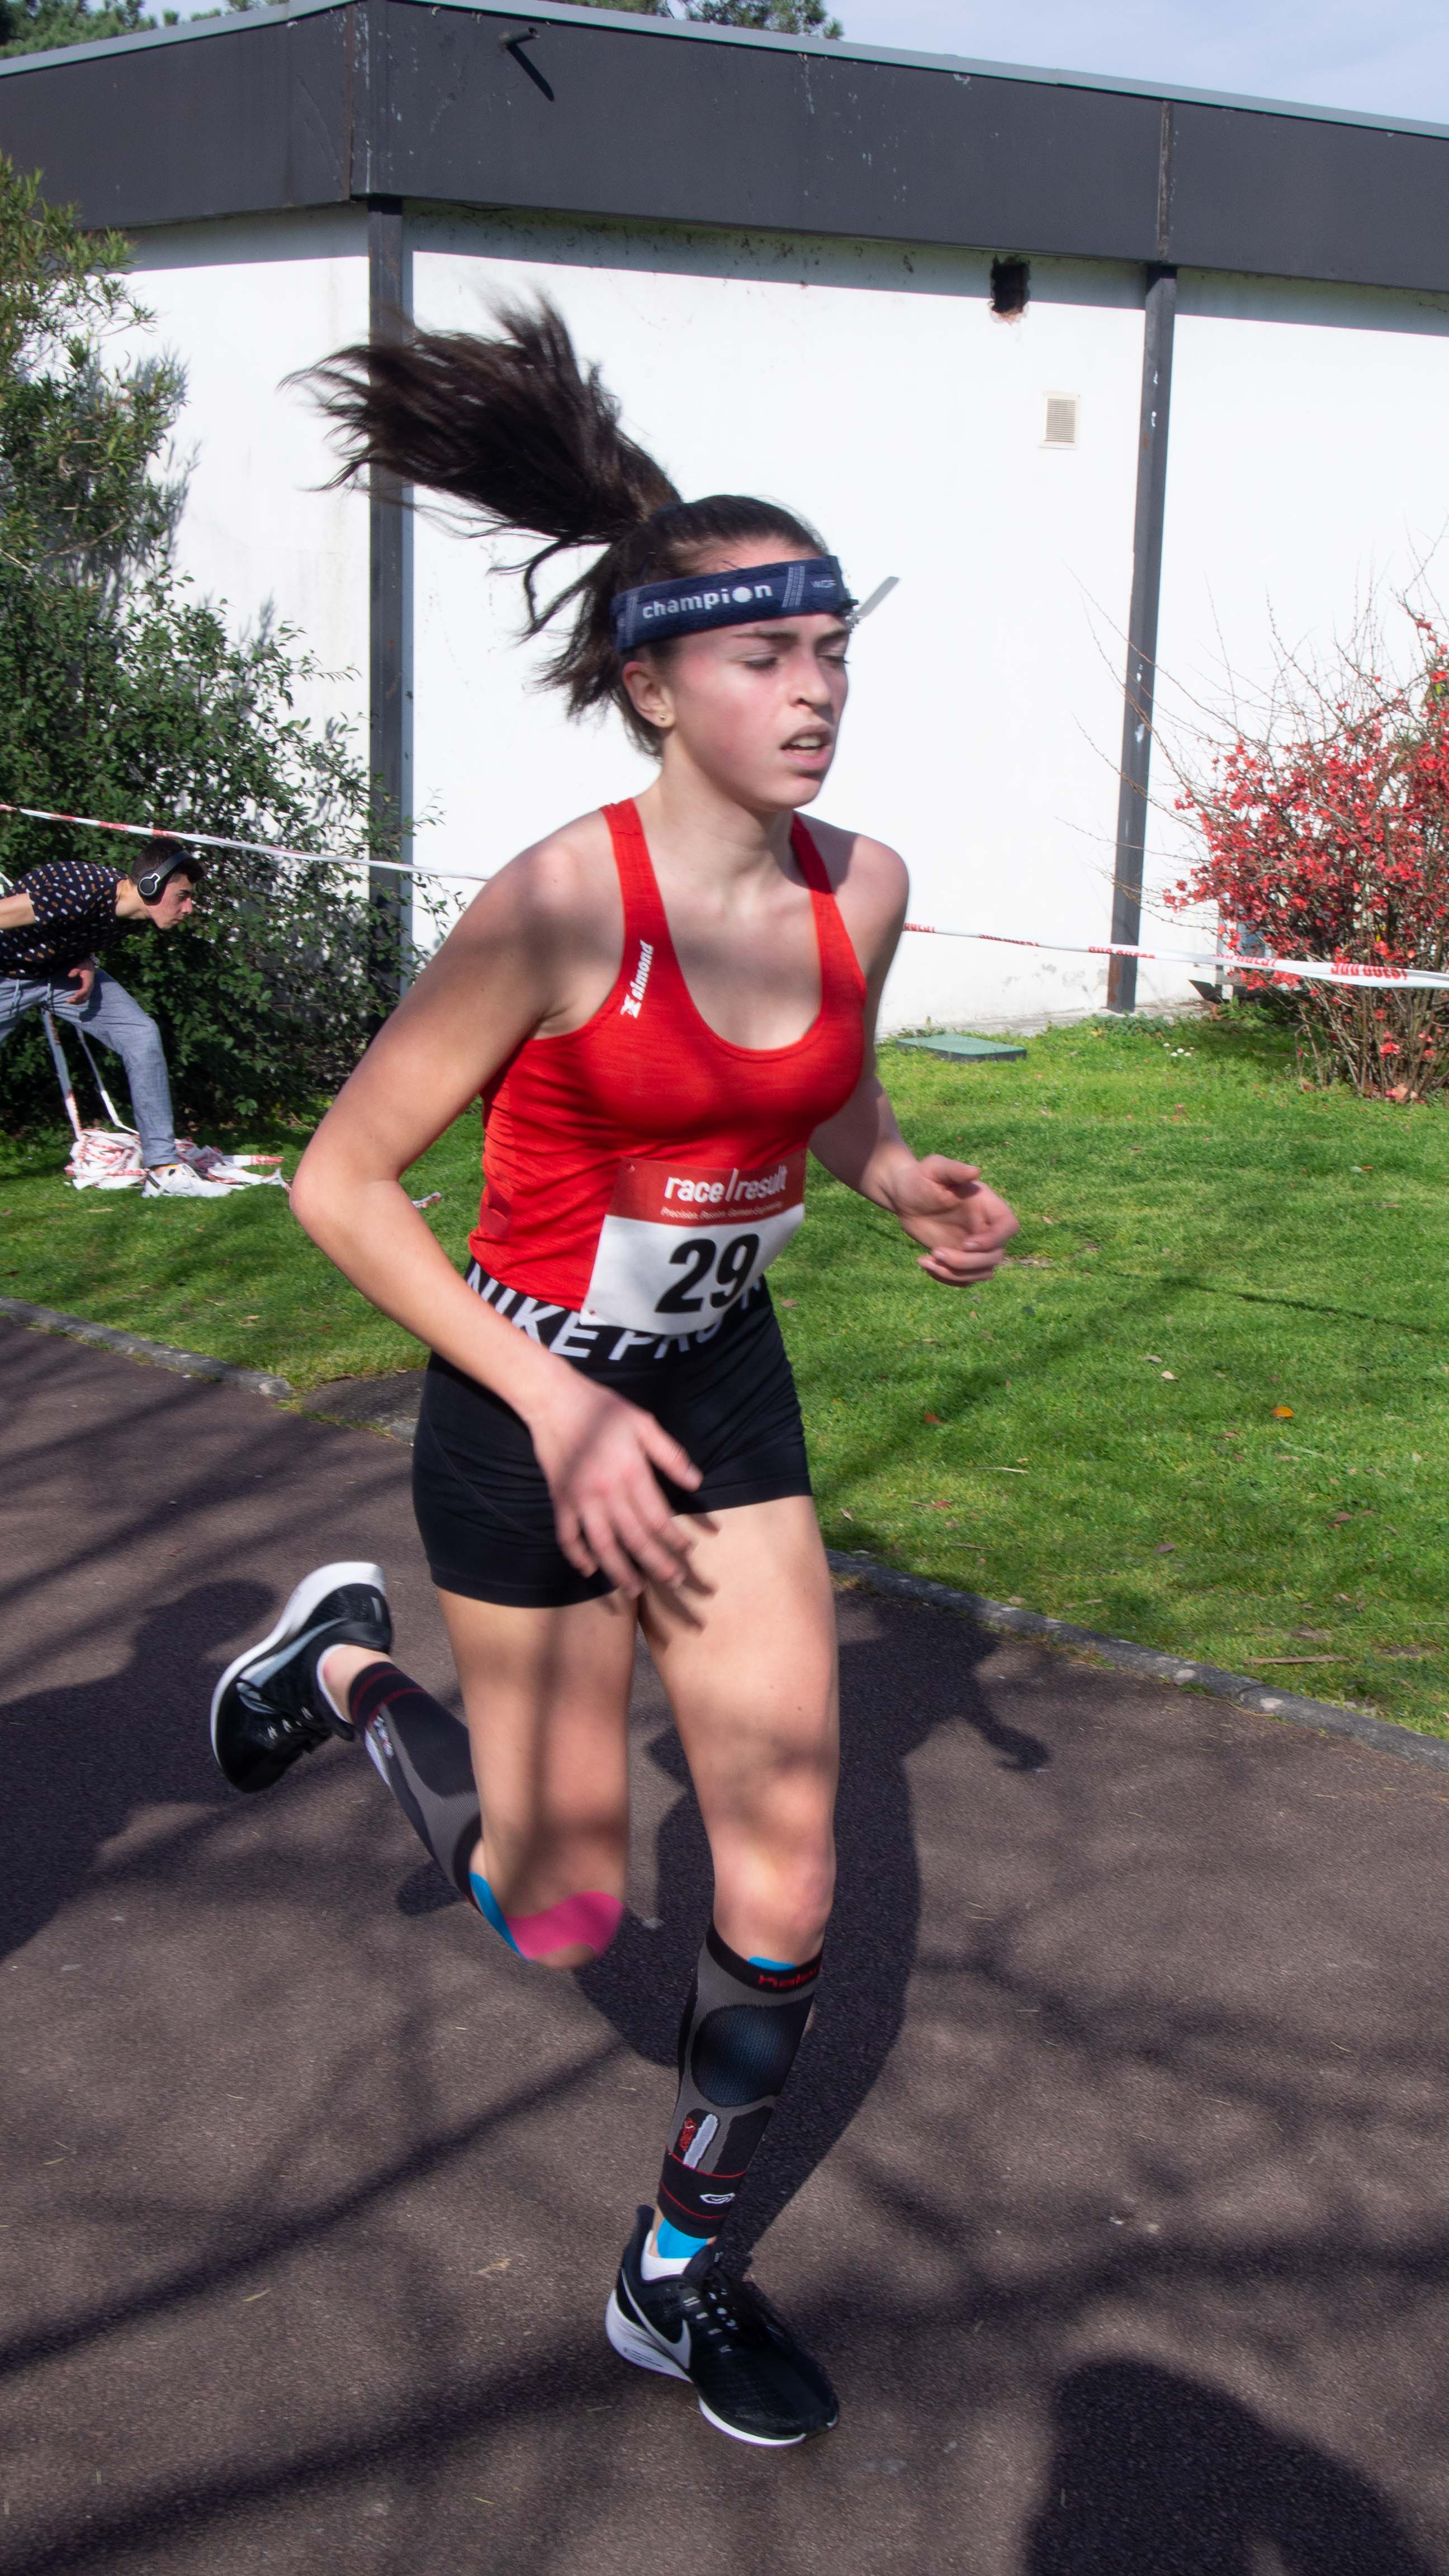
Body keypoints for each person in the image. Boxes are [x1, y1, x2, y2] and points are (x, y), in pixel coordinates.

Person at [209, 301, 1019, 2447]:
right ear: (653, 681)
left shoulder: (866, 889)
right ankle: (340, 1670)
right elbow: (341, 1183)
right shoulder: (559, 905)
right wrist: (558, 1398)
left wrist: (895, 1174)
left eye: (832, 647)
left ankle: (678, 2274)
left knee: (785, 1875)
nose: (816, 687)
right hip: (524, 1412)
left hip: (720, 1397)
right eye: (765, 653)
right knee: (561, 1888)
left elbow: (819, 1095)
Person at [0, 836, 229, 1197]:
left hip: (60, 974)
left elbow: (81, 930)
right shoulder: (79, 892)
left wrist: (88, 960)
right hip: (7, 975)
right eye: (183, 896)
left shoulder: (132, 912)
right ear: (151, 885)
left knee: (141, 1034)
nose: (189, 908)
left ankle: (163, 1169)